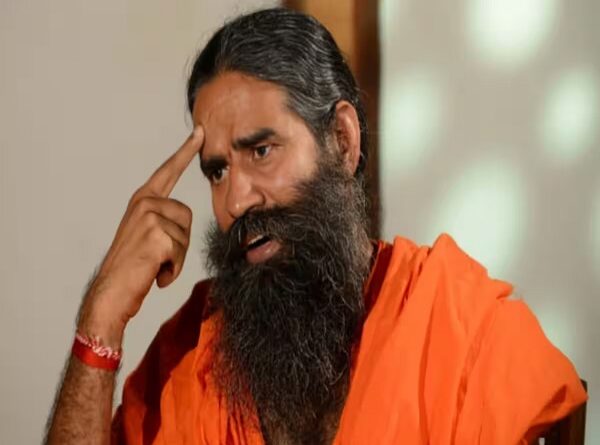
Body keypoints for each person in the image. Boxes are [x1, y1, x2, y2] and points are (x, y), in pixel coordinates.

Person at [45, 7, 587, 445]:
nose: (236, 200)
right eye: (217, 171)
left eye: (261, 150)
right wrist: (102, 318)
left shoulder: (461, 334)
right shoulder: (189, 355)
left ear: (342, 141)